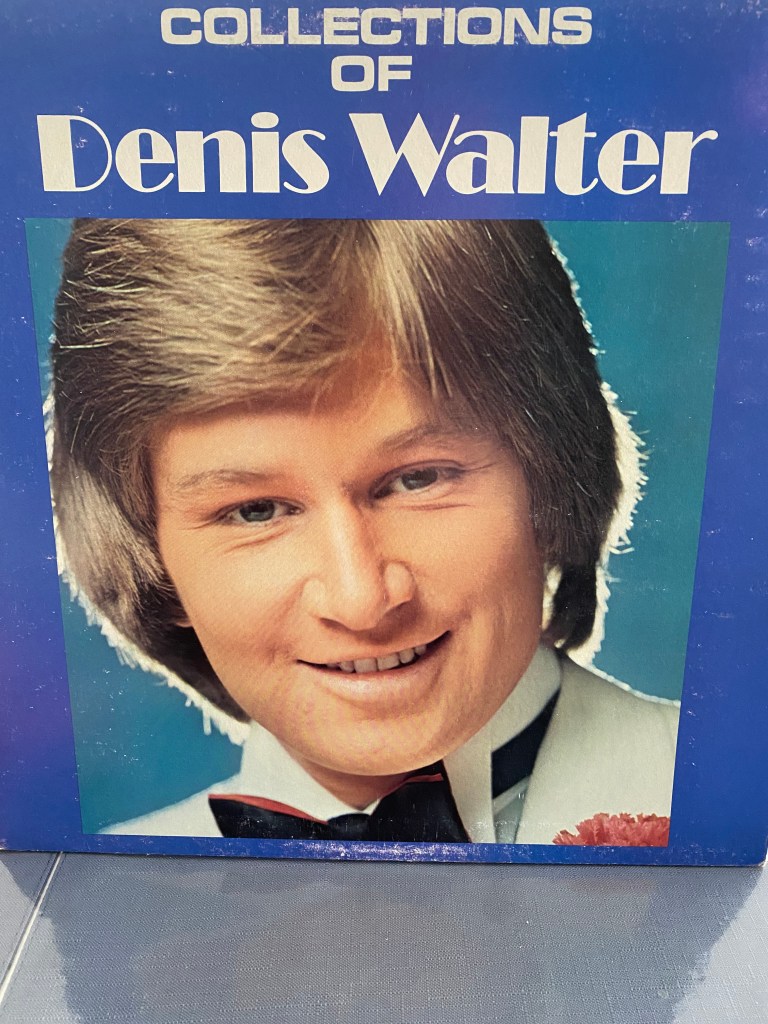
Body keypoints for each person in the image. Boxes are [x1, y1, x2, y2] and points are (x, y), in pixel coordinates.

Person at [50, 218, 679, 846]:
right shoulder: (98, 882)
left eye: (418, 479)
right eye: (256, 511)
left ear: (550, 483)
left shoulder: (712, 797)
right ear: (152, 562)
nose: (361, 601)